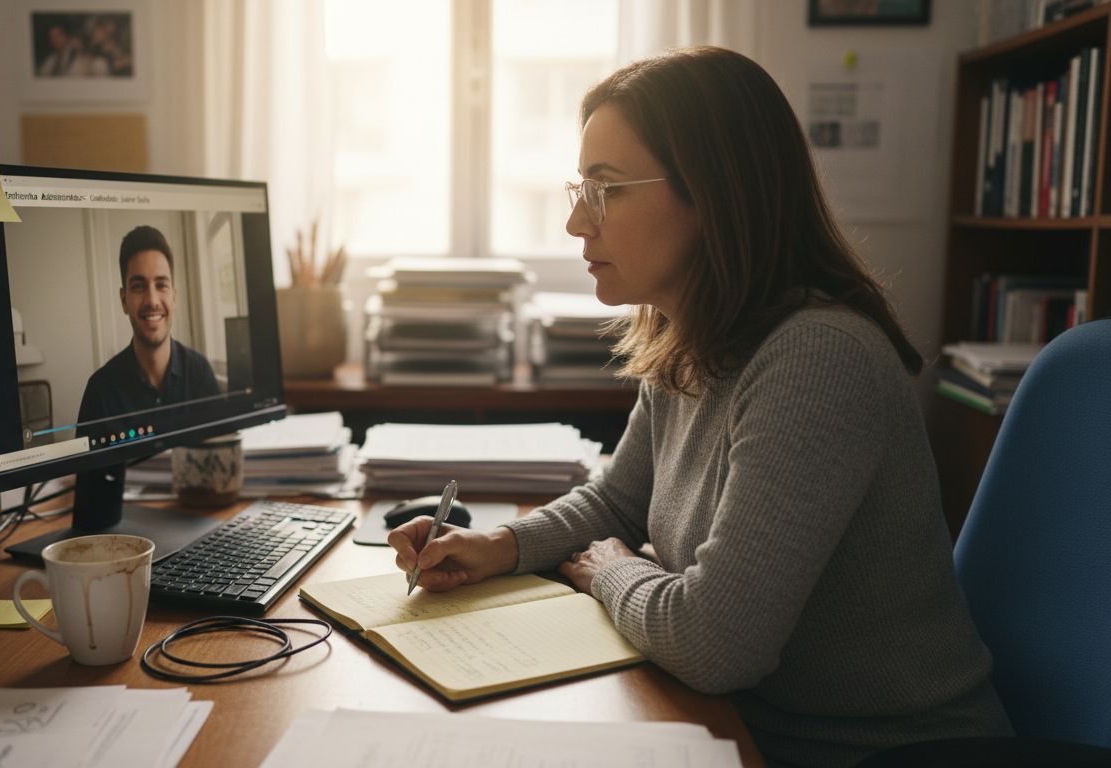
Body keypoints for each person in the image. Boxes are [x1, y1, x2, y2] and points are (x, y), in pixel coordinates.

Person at [388, 47, 1012, 768]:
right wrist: (497, 547)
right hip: (746, 726)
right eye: (578, 189)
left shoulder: (819, 358)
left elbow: (714, 644)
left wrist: (611, 572)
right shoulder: (693, 334)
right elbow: (618, 504)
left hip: (879, 753)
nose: (576, 225)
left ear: (715, 194)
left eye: (608, 190)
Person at [77, 225, 220, 440]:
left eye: (161, 285)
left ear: (174, 296)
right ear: (124, 300)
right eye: (138, 286)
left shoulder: (200, 375)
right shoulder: (99, 392)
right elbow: (88, 474)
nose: (152, 300)